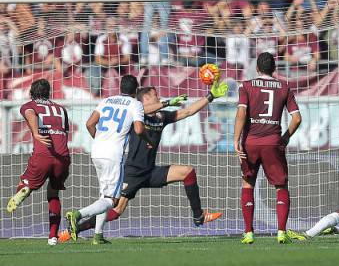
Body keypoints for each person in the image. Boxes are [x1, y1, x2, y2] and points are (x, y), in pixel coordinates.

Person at [59, 81, 228, 242]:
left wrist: (210, 96)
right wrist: (166, 102)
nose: (158, 96)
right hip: (132, 172)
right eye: (155, 95)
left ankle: (199, 216)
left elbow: (187, 111)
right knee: (115, 210)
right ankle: (73, 229)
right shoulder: (136, 113)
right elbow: (144, 109)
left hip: (149, 171)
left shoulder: (162, 116)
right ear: (146, 98)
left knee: (187, 171)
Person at [65, 75, 152, 245]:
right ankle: (77, 215)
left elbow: (90, 124)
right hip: (114, 154)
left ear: (120, 87)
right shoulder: (136, 104)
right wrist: (149, 141)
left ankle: (98, 236)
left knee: (104, 195)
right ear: (136, 90)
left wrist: (100, 140)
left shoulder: (106, 100)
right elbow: (139, 129)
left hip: (96, 150)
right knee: (112, 201)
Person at [234, 52, 302, 244]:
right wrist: (285, 137)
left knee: (248, 184)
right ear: (274, 69)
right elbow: (297, 118)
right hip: (273, 142)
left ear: (257, 69)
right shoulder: (284, 87)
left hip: (250, 143)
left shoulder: (246, 86)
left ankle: (248, 233)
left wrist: (235, 140)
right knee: (281, 187)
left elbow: (241, 112)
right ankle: (281, 231)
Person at [7, 79, 71, 246]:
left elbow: (30, 113)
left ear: (31, 93)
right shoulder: (61, 109)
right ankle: (52, 237)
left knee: (24, 182)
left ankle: (25, 189)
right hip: (63, 157)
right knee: (53, 193)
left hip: (43, 154)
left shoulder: (29, 105)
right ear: (49, 93)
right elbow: (64, 133)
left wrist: (35, 132)